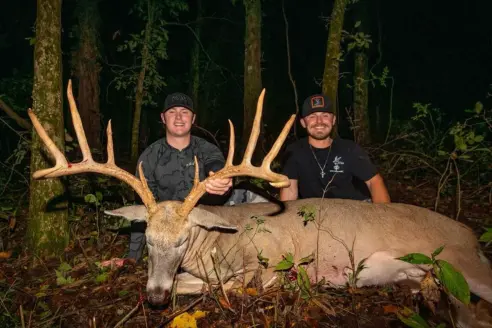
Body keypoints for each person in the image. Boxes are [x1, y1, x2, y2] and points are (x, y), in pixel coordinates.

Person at [128, 92, 265, 261]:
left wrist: (220, 178)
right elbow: (144, 208)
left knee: (249, 192)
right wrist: (132, 257)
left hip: (207, 216)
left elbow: (216, 164)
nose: (179, 117)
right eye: (172, 112)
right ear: (163, 118)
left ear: (193, 119)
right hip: (172, 227)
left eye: (185, 112)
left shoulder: (207, 148)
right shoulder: (149, 157)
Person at [280, 94, 391, 203]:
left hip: (355, 210)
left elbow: (374, 181)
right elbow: (289, 189)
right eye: (312, 117)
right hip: (315, 212)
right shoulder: (294, 151)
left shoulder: (349, 149)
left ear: (333, 120)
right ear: (303, 123)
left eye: (325, 115)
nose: (319, 121)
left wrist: (382, 214)